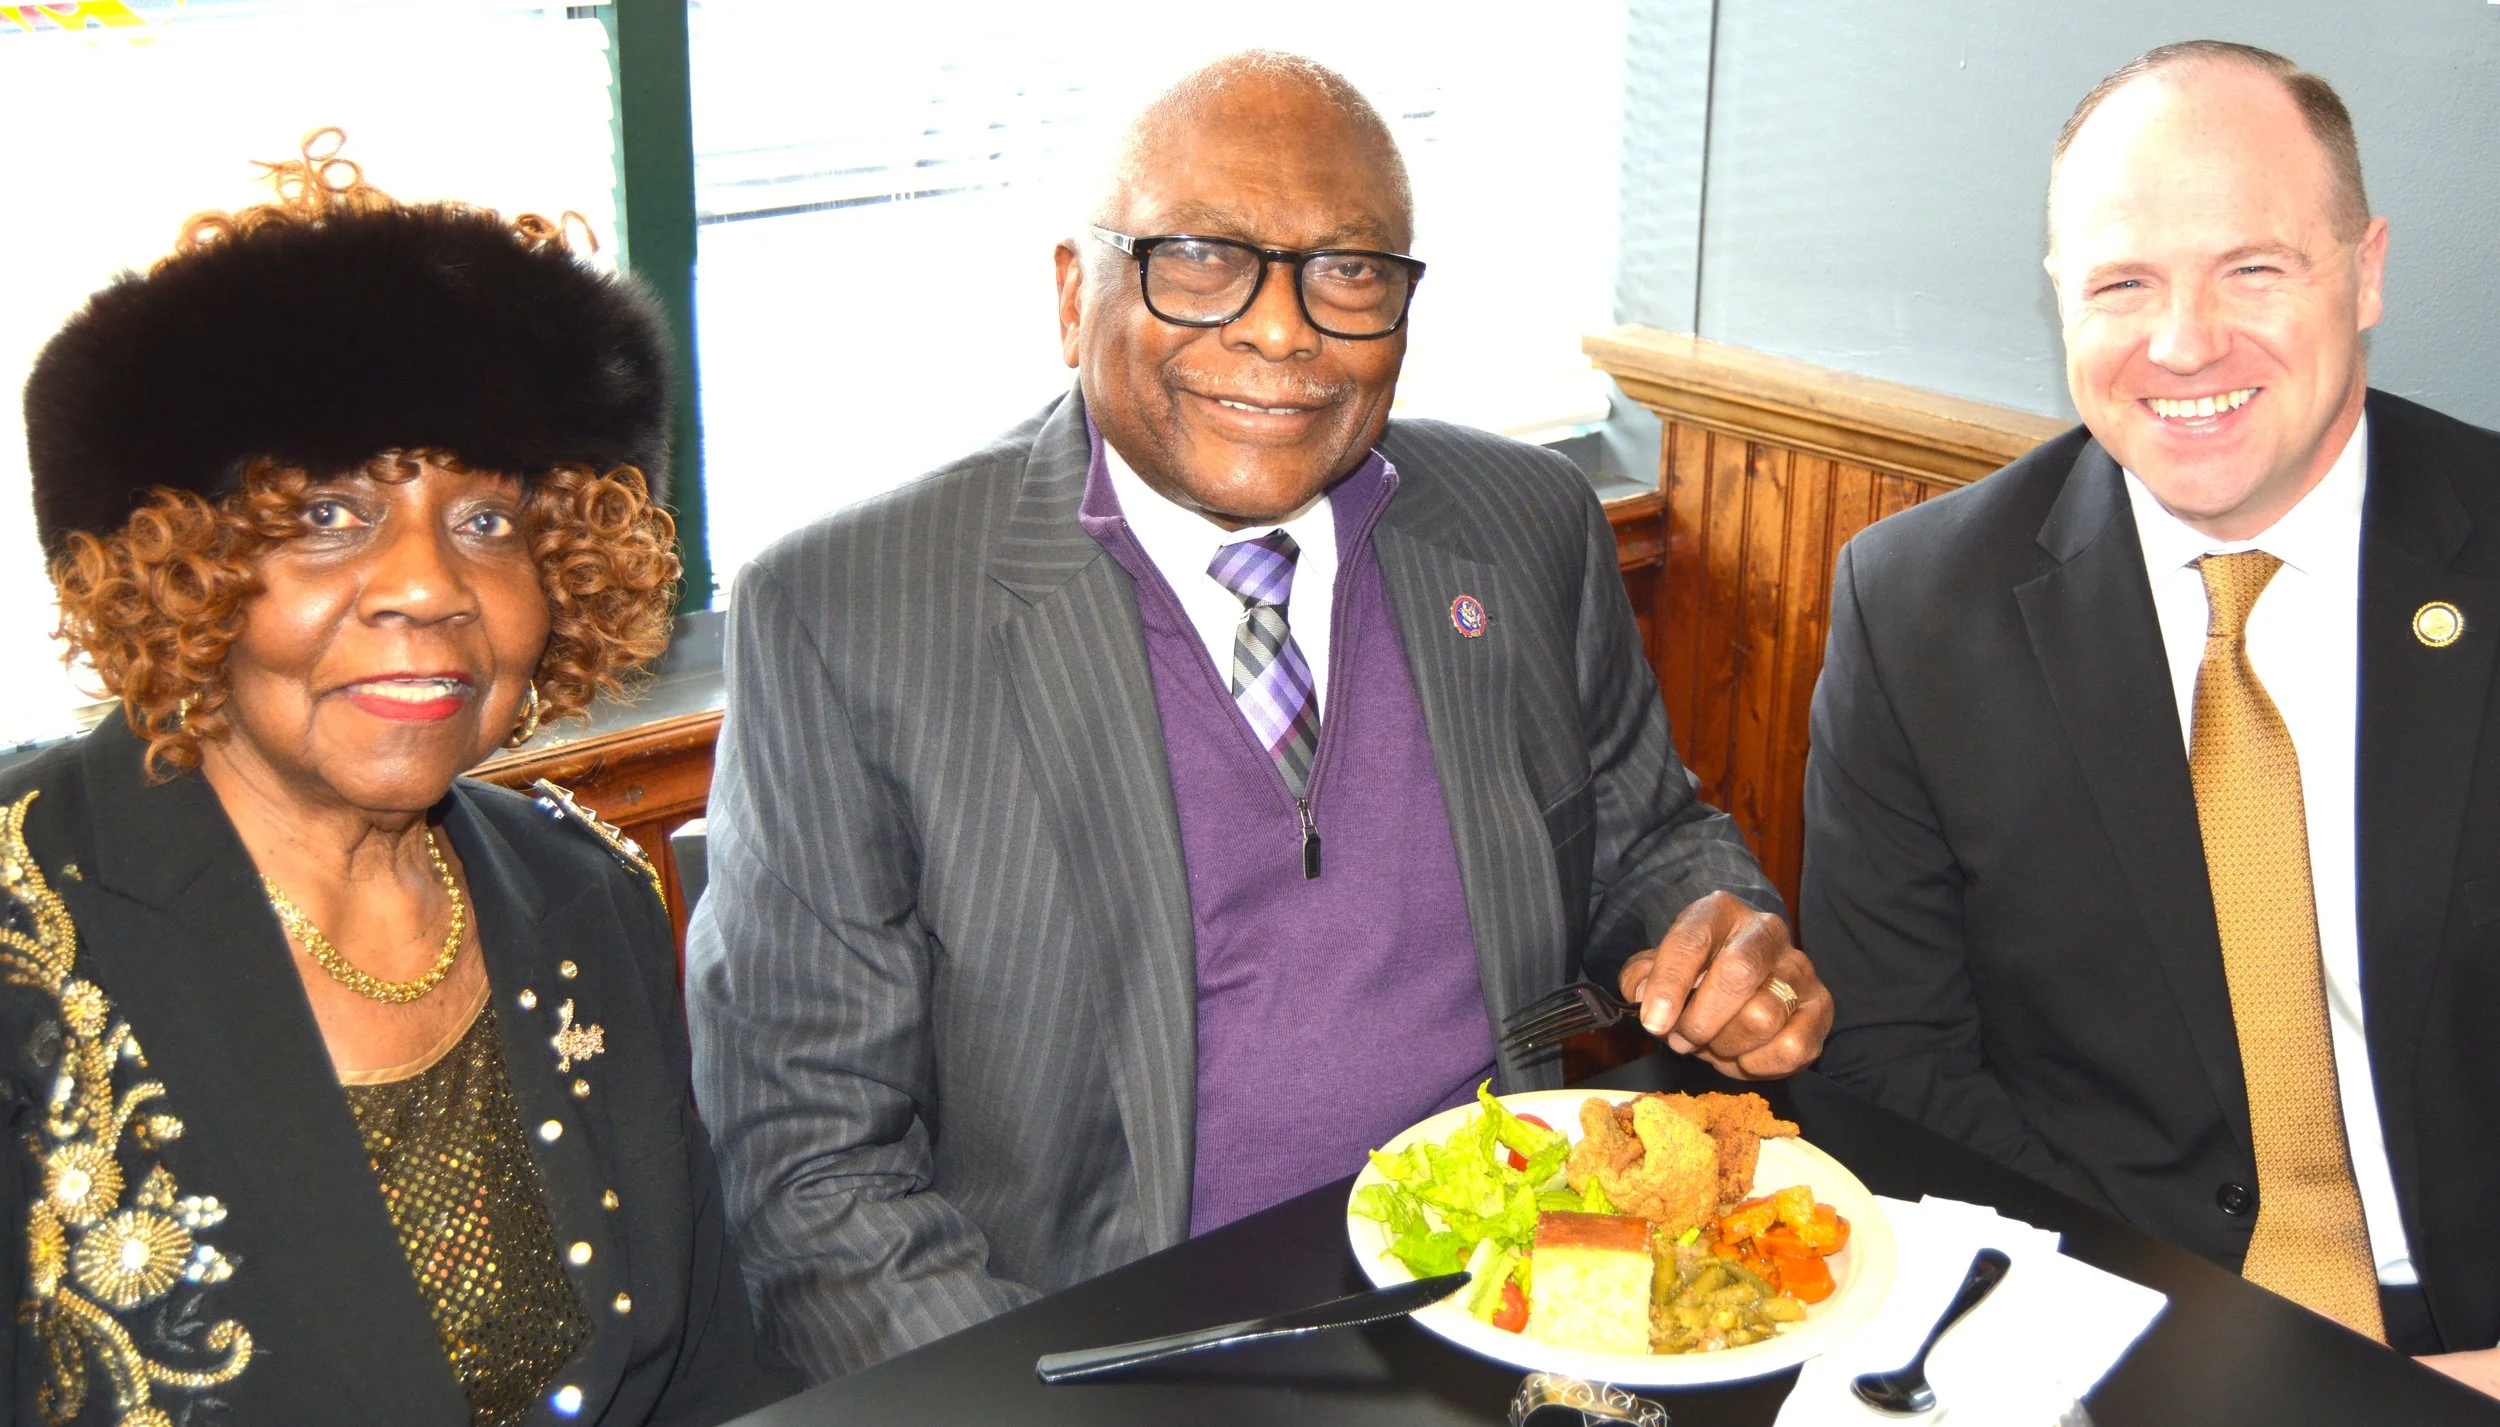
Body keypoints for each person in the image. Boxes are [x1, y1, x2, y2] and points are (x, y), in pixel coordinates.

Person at [685, 50, 1833, 1381]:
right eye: (1200, 257)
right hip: (1105, 1352)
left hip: (1513, 1291)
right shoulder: (851, 613)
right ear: (1075, 293)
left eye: (1346, 271)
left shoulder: (1526, 526)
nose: (1283, 329)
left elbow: (1649, 840)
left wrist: (1723, 938)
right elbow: (810, 1168)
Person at [5, 135, 792, 1424]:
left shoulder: (580, 889)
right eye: (326, 513)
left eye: (489, 522)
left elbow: (705, 1370)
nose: (433, 585)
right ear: (175, 565)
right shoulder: (20, 940)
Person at [1803, 41, 2499, 1391]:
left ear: (2364, 273)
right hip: (2117, 1323)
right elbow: (1893, 1065)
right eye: (2125, 282)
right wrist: (2172, 1345)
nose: (2184, 343)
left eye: (2254, 267)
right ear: (2061, 295)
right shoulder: (1915, 607)